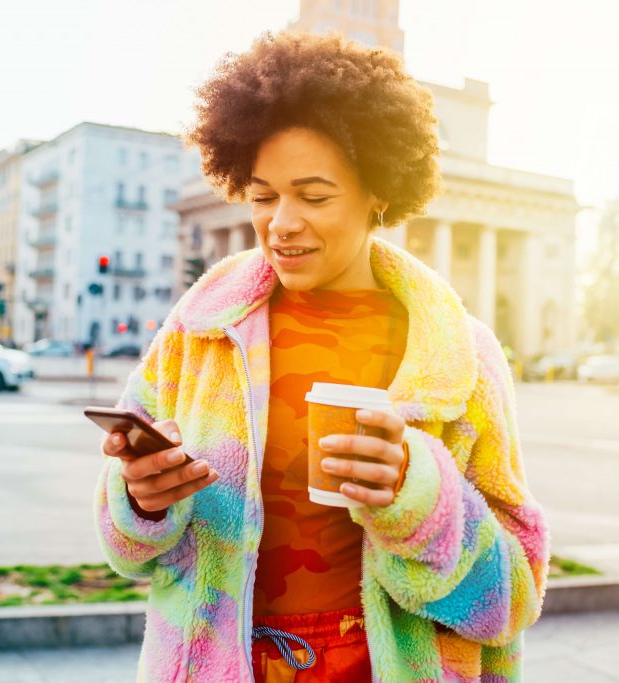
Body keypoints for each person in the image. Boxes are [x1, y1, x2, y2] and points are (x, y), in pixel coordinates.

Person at [95, 31, 549, 682]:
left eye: (313, 196)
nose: (281, 222)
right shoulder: (197, 334)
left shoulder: (460, 354)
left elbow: (514, 597)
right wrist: (140, 502)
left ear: (378, 194)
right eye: (262, 195)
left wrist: (417, 499)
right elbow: (125, 552)